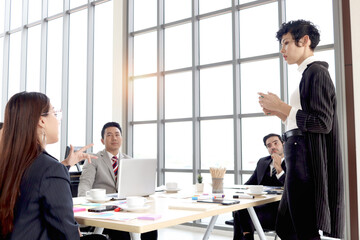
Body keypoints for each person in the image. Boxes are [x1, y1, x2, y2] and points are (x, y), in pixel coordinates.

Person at [258, 20, 344, 239]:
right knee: (287, 226)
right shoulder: (307, 75)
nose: (282, 49)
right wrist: (279, 112)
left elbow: (323, 123)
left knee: (303, 228)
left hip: (304, 160)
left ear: (304, 41)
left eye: (286, 42)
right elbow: (304, 121)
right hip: (297, 155)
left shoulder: (317, 73)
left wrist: (282, 107)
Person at [0, 92, 97, 240]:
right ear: (41, 121)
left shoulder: (8, 163)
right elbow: (67, 235)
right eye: (54, 113)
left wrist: (65, 164)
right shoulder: (49, 169)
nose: (58, 120)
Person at [78, 122, 158, 240]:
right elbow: (85, 182)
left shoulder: (129, 160)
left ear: (122, 138)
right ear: (102, 140)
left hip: (127, 207)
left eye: (117, 134)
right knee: (122, 235)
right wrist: (84, 201)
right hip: (106, 210)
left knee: (150, 228)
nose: (114, 138)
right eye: (109, 135)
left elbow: (136, 186)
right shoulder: (94, 159)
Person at [233, 133, 286, 240]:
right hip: (261, 206)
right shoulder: (263, 162)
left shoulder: (292, 161)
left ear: (283, 144)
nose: (273, 147)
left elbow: (291, 186)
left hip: (280, 210)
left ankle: (247, 237)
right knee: (240, 209)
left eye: (276, 143)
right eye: (269, 145)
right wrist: (238, 192)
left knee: (241, 215)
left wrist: (279, 168)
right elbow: (250, 183)